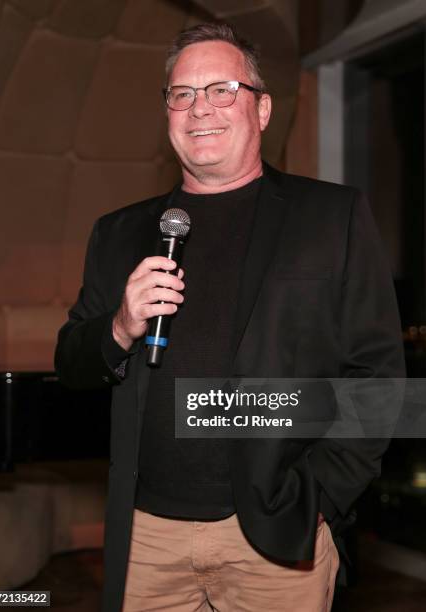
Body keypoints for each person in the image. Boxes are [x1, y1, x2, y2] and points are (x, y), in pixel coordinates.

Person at [55, 23, 405, 612]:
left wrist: (319, 498)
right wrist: (120, 326)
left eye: (222, 90)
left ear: (262, 109)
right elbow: (71, 364)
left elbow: (380, 378)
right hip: (146, 538)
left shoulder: (332, 217)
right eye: (182, 94)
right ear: (167, 111)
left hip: (276, 535)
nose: (200, 109)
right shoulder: (118, 233)